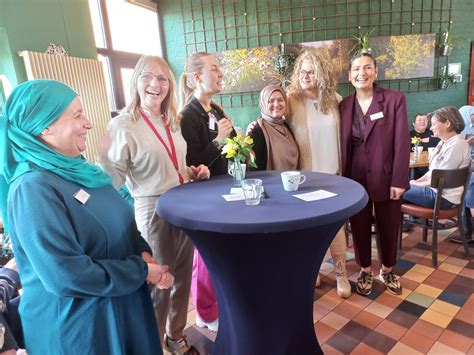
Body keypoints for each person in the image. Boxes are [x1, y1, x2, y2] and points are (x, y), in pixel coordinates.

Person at [0, 79, 173, 354]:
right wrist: (141, 271)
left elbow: (122, 222)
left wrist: (142, 252)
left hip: (119, 308)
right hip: (81, 329)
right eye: (77, 115)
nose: (89, 123)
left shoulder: (81, 171)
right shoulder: (32, 188)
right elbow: (65, 274)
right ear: (44, 126)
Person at [101, 55, 207, 355]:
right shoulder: (122, 125)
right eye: (148, 76)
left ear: (170, 86)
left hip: (182, 204)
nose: (155, 84)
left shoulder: (171, 120)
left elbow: (175, 165)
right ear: (136, 80)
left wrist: (192, 171)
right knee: (161, 281)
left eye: (163, 79)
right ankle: (153, 346)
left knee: (183, 278)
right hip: (152, 211)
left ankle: (175, 337)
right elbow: (109, 182)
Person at [339, 52, 410, 296]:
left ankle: (388, 269)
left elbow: (402, 142)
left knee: (389, 225)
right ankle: (366, 270)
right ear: (349, 76)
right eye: (356, 69)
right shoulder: (345, 105)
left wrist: (400, 179)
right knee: (358, 226)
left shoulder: (393, 100)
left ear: (376, 72)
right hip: (354, 178)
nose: (362, 73)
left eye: (367, 68)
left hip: (387, 176)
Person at [286, 47, 351, 299]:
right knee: (309, 229)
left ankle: (341, 273)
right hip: (306, 179)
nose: (306, 76)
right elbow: (273, 120)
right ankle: (312, 270)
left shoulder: (334, 99)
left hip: (335, 177)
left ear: (322, 73)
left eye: (311, 71)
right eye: (302, 71)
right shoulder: (291, 100)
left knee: (336, 227)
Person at [179, 52, 235, 332]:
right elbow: (193, 162)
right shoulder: (188, 116)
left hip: (223, 190)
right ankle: (204, 312)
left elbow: (232, 147)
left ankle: (218, 304)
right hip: (203, 196)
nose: (221, 73)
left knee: (221, 255)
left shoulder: (216, 110)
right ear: (197, 77)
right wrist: (219, 140)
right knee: (204, 257)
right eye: (214, 69)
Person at [403, 106, 470, 209]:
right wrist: (416, 182)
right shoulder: (443, 142)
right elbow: (433, 173)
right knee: (397, 188)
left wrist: (417, 184)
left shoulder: (457, 145)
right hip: (435, 191)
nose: (430, 128)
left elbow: (440, 179)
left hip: (442, 198)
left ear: (447, 124)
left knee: (395, 189)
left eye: (433, 124)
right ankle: (412, 222)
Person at [247, 85, 298, 171]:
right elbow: (253, 168)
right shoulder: (257, 131)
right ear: (263, 103)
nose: (276, 104)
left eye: (280, 100)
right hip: (270, 183)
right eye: (271, 101)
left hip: (292, 181)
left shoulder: (286, 127)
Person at [450, 105, 474, 244]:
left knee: (469, 188)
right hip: (468, 162)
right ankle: (466, 230)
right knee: (467, 188)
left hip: (469, 164)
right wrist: (468, 142)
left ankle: (467, 230)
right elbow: (458, 145)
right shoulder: (464, 112)